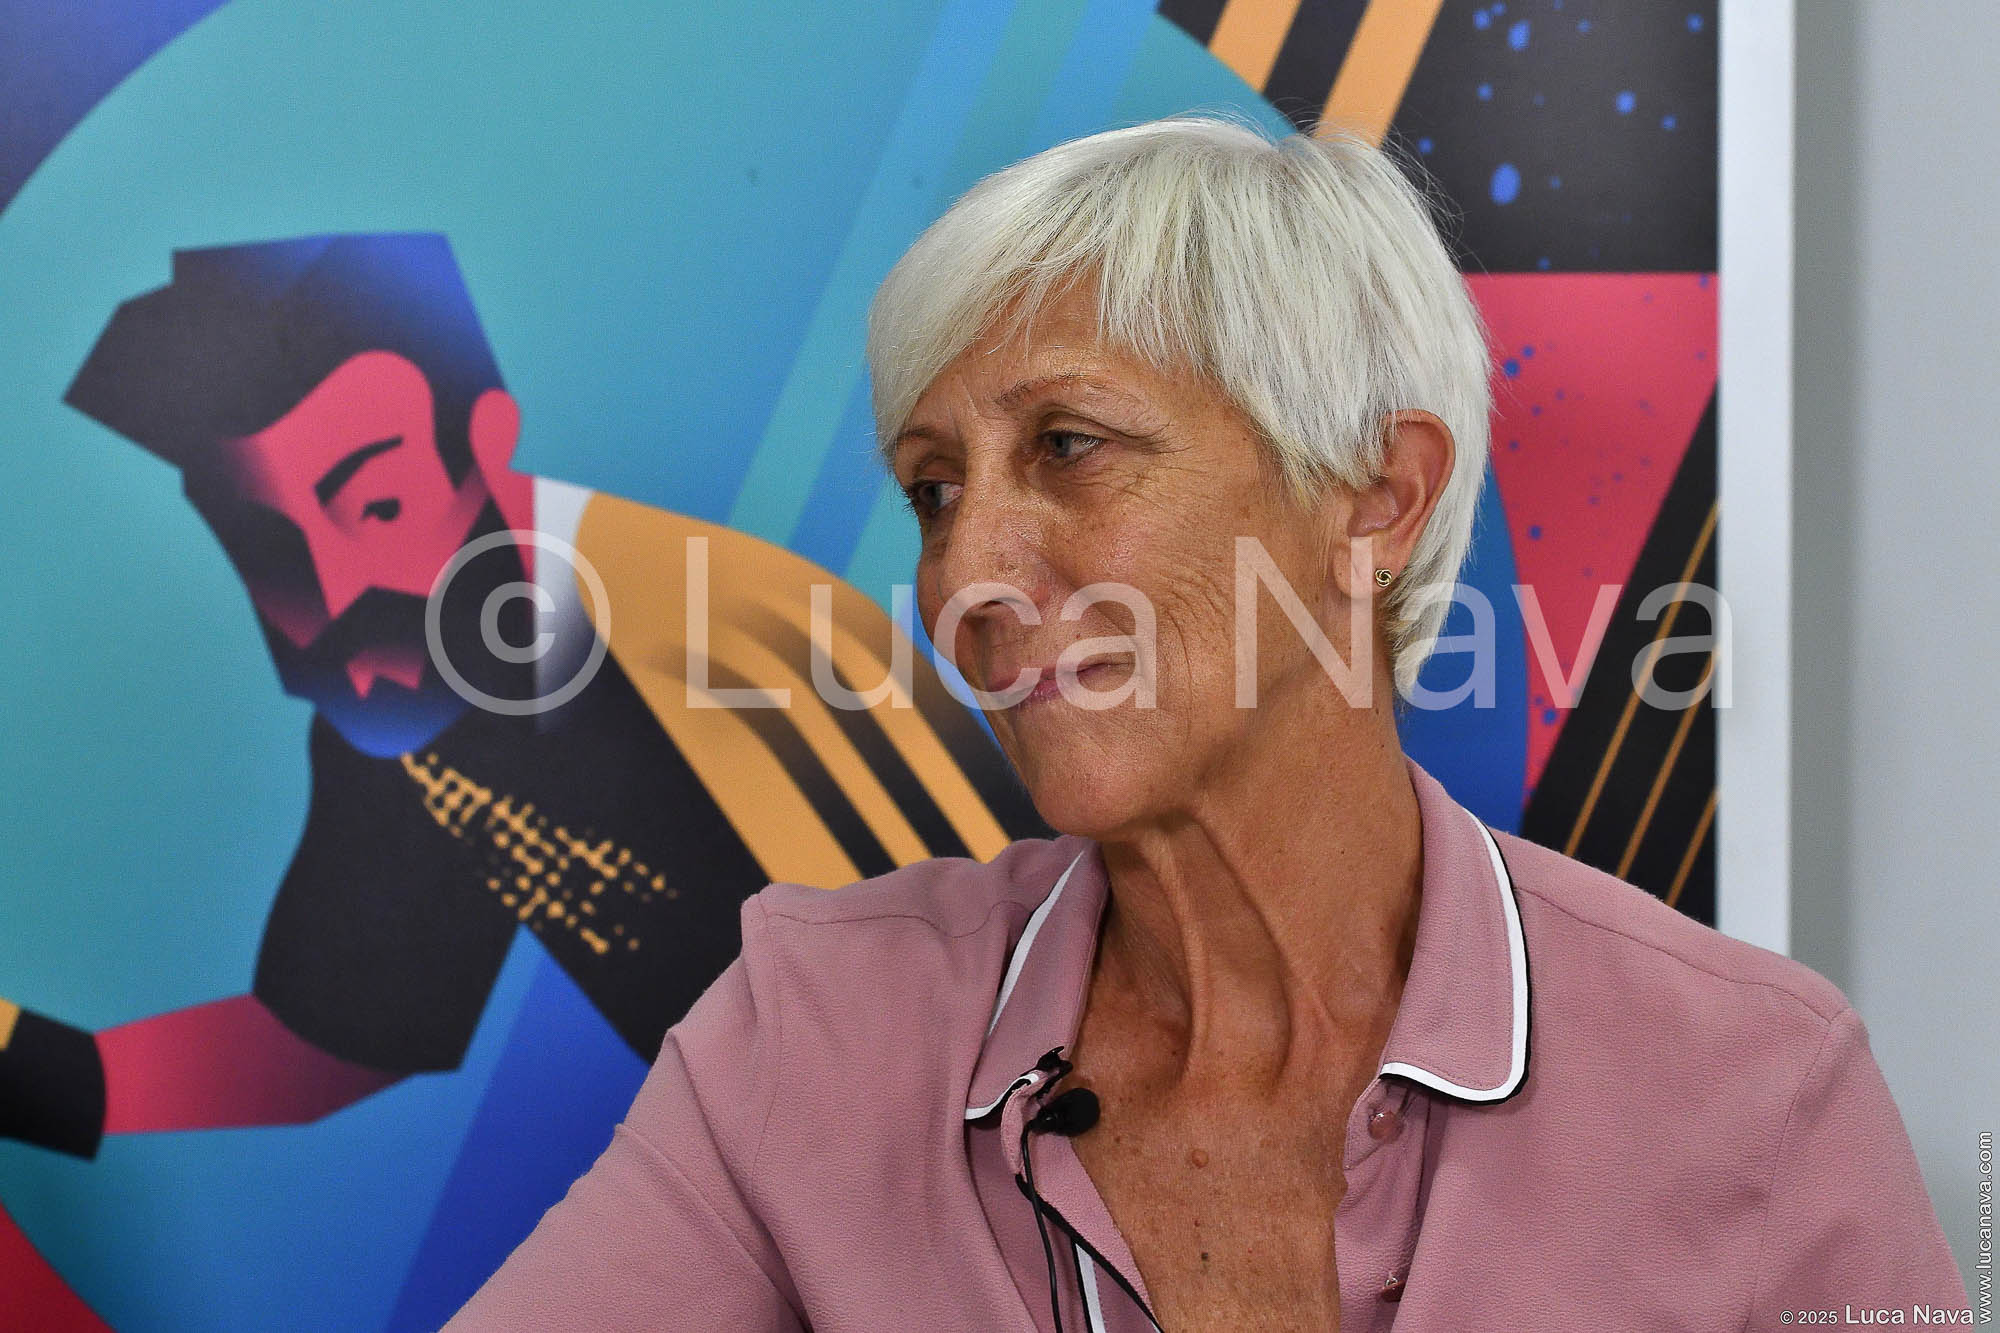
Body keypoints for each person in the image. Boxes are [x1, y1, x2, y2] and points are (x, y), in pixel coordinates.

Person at [447, 117, 1969, 1330]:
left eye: (1069, 445)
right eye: (934, 490)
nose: (963, 578)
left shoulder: (1757, 1091)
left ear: (1376, 498)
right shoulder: (817, 1035)